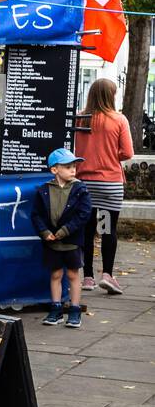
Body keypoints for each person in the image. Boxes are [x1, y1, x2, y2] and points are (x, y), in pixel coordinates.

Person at [74, 78, 134, 294]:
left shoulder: (81, 119)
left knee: (87, 231)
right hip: (109, 185)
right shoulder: (118, 120)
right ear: (111, 95)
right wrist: (110, 154)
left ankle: (88, 277)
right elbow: (127, 153)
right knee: (107, 230)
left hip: (85, 185)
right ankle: (107, 275)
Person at [30, 147, 92, 328]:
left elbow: (84, 213)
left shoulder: (80, 189)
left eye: (74, 165)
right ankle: (56, 309)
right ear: (54, 170)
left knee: (73, 274)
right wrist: (44, 232)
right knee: (55, 273)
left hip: (71, 241)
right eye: (67, 166)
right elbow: (36, 215)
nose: (73, 169)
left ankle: (74, 310)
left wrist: (65, 230)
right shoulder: (43, 190)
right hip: (52, 242)